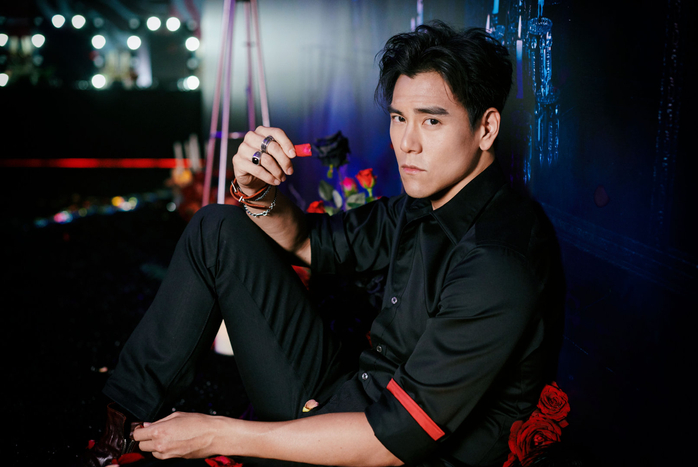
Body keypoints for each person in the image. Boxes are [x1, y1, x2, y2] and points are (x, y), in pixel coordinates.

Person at [83, 21, 564, 467]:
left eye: (431, 122)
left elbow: (392, 440)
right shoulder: (424, 201)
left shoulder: (497, 262)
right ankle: (120, 428)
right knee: (218, 228)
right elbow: (310, 242)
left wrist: (220, 434)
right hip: (355, 395)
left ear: (486, 128)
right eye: (399, 118)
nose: (406, 143)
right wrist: (255, 191)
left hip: (396, 451)